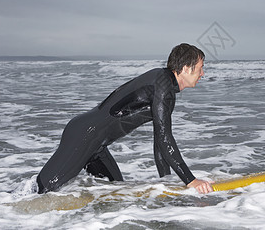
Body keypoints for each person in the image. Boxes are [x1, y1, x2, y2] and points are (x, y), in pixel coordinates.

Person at [36, 43, 213, 194]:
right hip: (84, 136)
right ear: (186, 69)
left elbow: (160, 141)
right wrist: (190, 180)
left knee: (114, 194)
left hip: (96, 146)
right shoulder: (163, 85)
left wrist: (166, 182)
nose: (202, 73)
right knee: (41, 192)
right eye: (200, 68)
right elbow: (165, 138)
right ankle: (8, 210)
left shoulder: (164, 84)